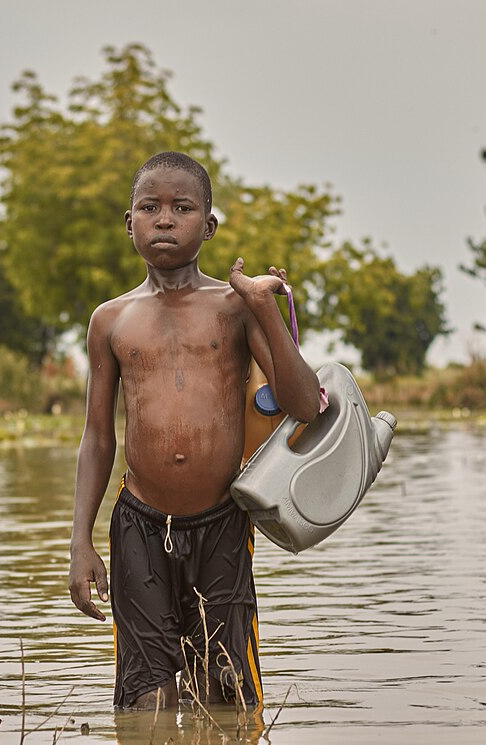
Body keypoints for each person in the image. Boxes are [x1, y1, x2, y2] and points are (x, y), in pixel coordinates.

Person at [67, 151, 321, 710]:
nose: (163, 219)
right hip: (139, 527)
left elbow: (305, 405)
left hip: (222, 525)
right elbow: (98, 437)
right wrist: (80, 541)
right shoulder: (110, 319)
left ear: (208, 225)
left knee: (228, 696)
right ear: (128, 221)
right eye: (148, 207)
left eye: (181, 208)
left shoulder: (235, 307)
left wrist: (263, 306)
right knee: (146, 702)